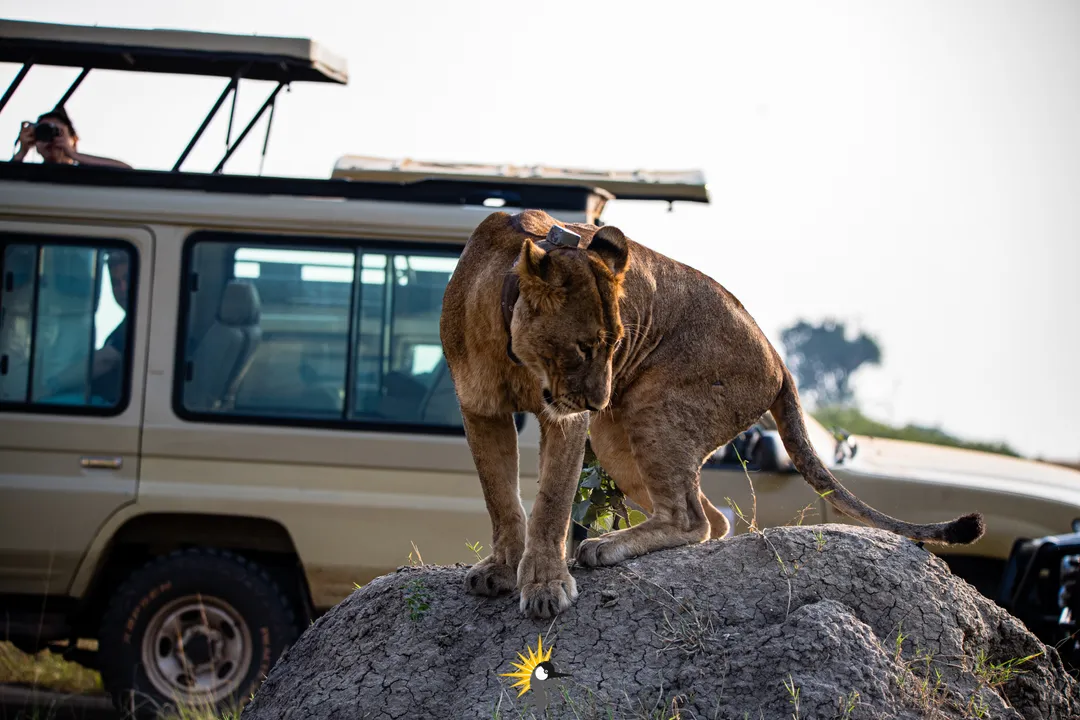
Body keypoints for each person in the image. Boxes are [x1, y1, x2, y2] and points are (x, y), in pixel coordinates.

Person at [45, 250, 131, 405]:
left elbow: (107, 358)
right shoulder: (126, 323)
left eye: (127, 279)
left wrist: (52, 385)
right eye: (115, 282)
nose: (122, 288)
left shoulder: (140, 325)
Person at [10, 106, 131, 169]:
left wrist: (73, 155)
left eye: (58, 132)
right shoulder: (28, 174)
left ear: (74, 140)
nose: (51, 138)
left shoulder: (83, 174)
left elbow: (125, 171)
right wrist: (21, 152)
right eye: (44, 132)